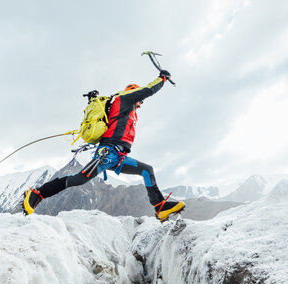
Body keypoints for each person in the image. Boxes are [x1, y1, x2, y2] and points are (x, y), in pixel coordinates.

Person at [22, 70, 185, 222]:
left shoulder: (127, 109)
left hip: (119, 157)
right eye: (140, 100)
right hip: (107, 153)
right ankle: (37, 194)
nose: (141, 104)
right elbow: (149, 90)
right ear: (133, 92)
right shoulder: (125, 98)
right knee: (79, 179)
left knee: (147, 170)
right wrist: (162, 78)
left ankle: (160, 207)